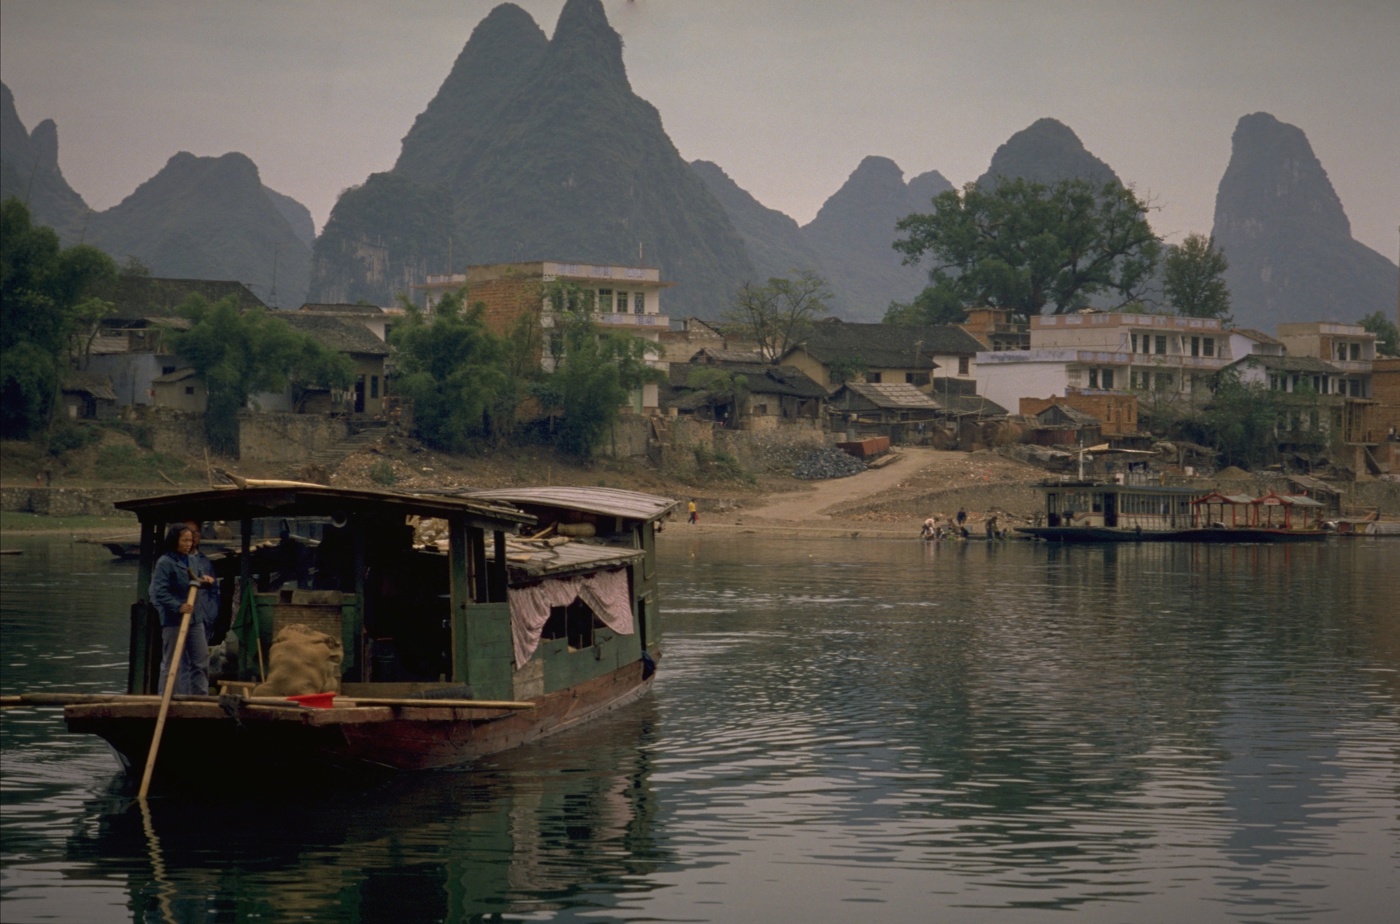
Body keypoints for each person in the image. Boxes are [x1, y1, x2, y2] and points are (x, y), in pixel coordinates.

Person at [149, 523, 215, 696]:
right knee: (172, 663)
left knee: (200, 661)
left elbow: (197, 580)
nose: (188, 544)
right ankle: (170, 697)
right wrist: (178, 606)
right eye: (184, 540)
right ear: (175, 541)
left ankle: (200, 698)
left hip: (195, 618)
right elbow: (158, 591)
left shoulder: (194, 560)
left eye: (190, 541)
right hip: (173, 620)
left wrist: (206, 581)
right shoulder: (165, 562)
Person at [183, 520, 221, 645]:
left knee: (200, 659)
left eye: (196, 532)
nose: (193, 536)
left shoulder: (205, 562)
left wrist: (211, 612)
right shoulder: (173, 560)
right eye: (189, 532)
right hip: (180, 619)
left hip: (204, 618)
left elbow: (214, 590)